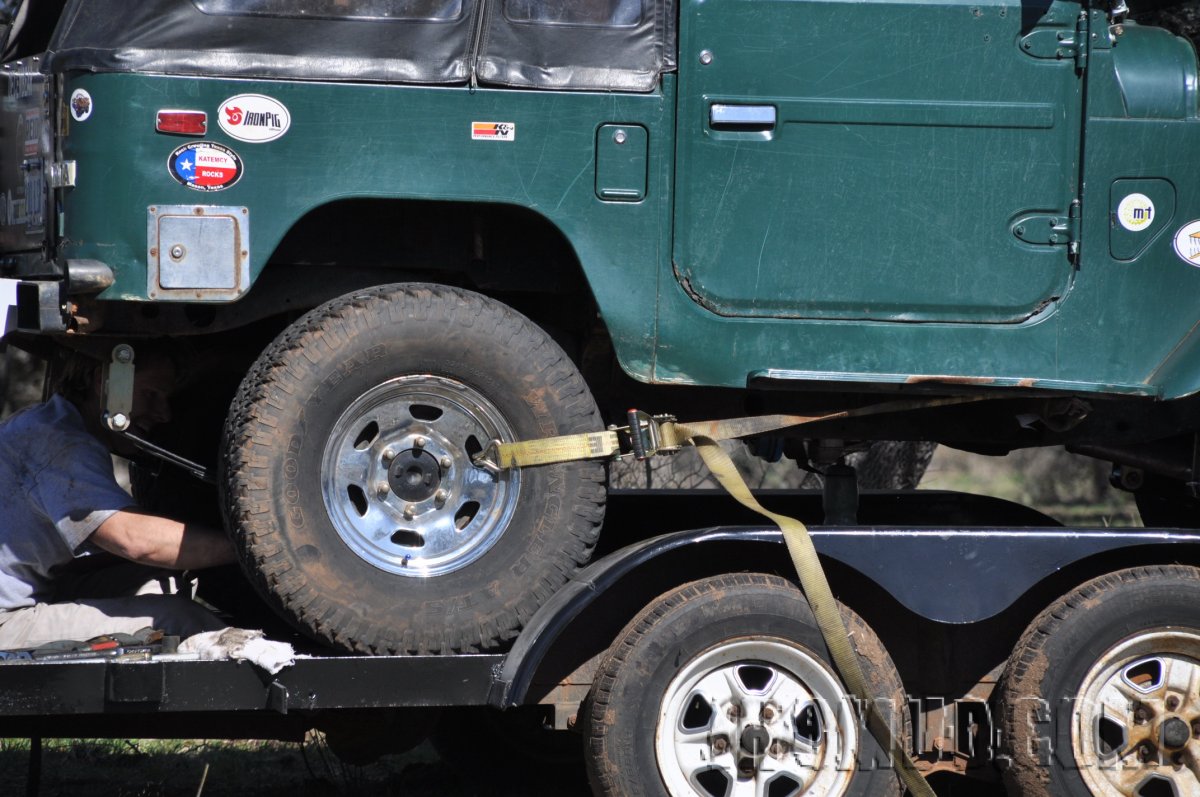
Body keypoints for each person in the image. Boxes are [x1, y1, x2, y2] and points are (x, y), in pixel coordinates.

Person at [0, 348, 234, 649]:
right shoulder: (62, 445)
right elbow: (132, 539)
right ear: (104, 381)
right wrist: (251, 550)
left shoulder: (46, 424)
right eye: (151, 394)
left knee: (159, 576)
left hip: (36, 590)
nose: (164, 413)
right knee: (178, 618)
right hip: (6, 621)